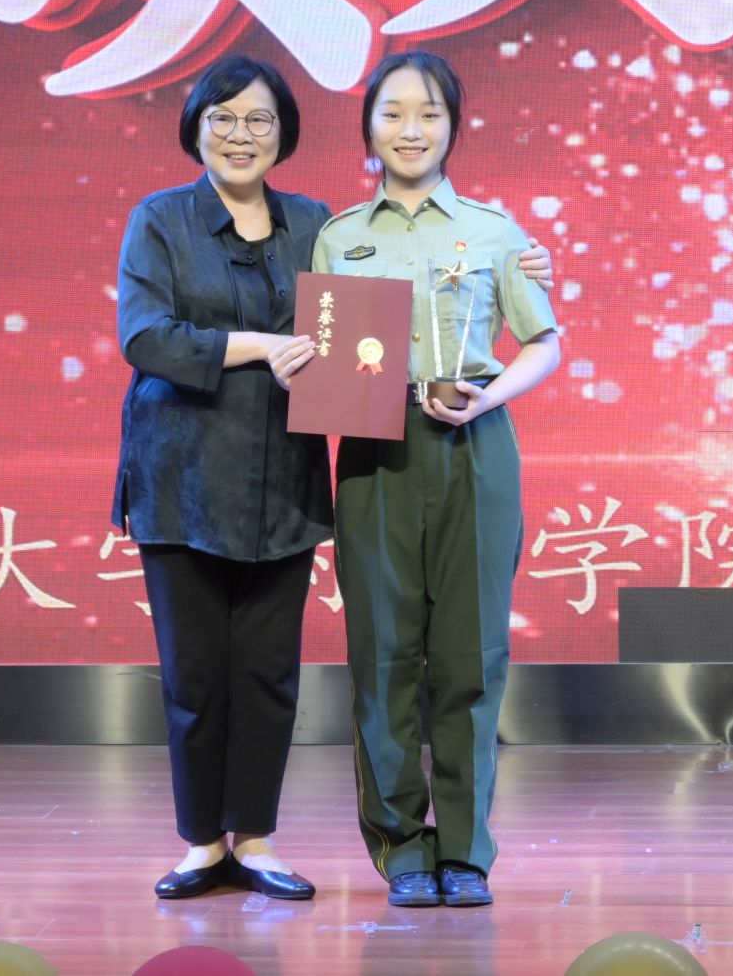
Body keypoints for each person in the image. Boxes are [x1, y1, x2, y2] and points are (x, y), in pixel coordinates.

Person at [114, 54, 553, 903]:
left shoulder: (333, 225)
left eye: (260, 119)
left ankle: (384, 847)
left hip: (331, 468)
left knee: (337, 669)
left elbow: (494, 326)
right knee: (254, 671)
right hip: (237, 467)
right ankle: (262, 844)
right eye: (224, 118)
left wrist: (522, 272)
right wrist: (262, 347)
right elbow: (152, 335)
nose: (241, 134)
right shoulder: (216, 224)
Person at [307, 50, 562, 909]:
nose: (410, 129)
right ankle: (400, 844)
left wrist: (490, 395)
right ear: (368, 126)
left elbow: (545, 342)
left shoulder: (495, 230)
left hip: (475, 445)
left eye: (429, 113)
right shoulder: (340, 235)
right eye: (392, 112)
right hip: (374, 448)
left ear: (454, 125)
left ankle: (465, 850)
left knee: (470, 654)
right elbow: (329, 355)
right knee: (381, 653)